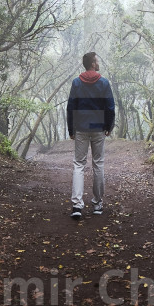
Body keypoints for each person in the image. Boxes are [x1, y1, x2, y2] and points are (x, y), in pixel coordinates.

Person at [66, 51, 115, 220]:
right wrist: (109, 125)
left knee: (79, 165)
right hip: (98, 128)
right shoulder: (103, 83)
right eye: (97, 60)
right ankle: (97, 205)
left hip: (80, 128)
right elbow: (110, 107)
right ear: (93, 64)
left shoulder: (76, 83)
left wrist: (71, 129)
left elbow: (71, 106)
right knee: (98, 164)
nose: (98, 62)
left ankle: (77, 205)